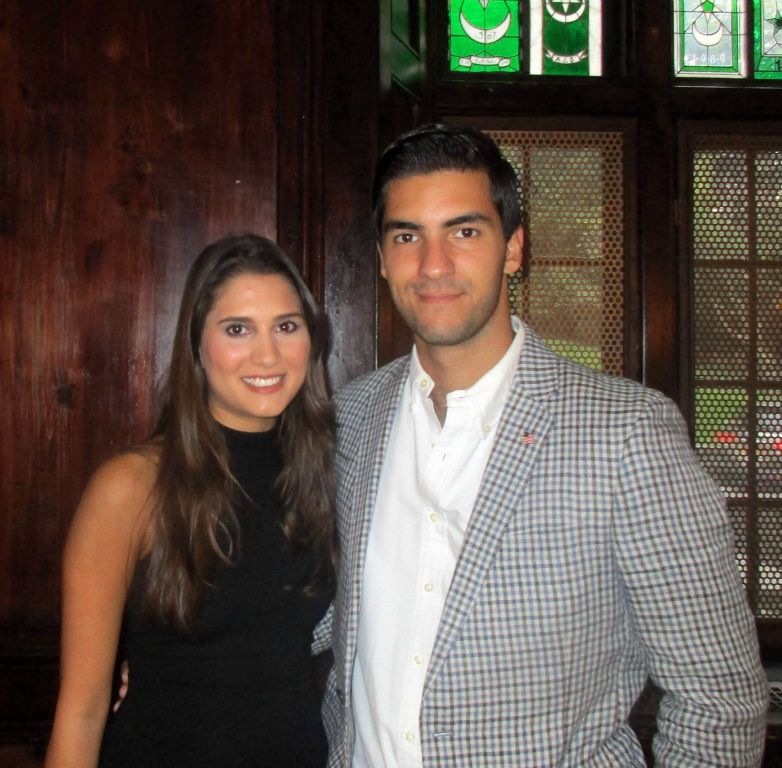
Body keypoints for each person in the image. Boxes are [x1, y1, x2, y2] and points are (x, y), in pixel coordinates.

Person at [313, 124, 768, 766]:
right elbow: (324, 621)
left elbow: (718, 699)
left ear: (514, 248)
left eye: (464, 232)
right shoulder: (352, 419)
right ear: (383, 258)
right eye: (407, 236)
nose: (433, 265)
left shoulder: (625, 435)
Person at [46, 234, 335, 768]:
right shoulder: (132, 486)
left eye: (286, 326)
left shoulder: (325, 474)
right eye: (237, 329)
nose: (267, 354)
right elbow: (81, 712)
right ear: (197, 346)